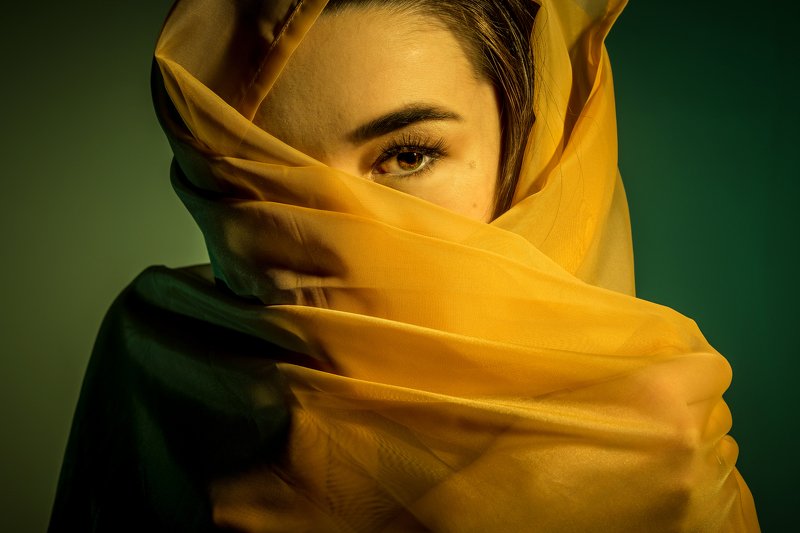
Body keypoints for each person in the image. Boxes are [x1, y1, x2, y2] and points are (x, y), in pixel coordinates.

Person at [50, 0, 761, 531]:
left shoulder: (654, 455)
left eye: (407, 156)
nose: (337, 237)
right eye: (269, 181)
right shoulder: (160, 360)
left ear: (531, 148)